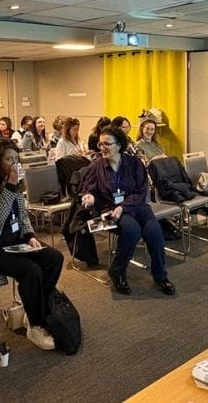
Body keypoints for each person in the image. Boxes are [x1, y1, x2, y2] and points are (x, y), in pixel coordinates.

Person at [0, 139, 63, 350]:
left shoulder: (12, 181)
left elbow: (22, 214)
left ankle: (32, 308)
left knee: (54, 258)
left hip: (15, 239)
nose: (13, 163)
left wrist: (29, 234)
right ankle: (36, 325)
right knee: (31, 271)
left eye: (15, 159)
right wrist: (11, 184)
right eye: (8, 159)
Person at [80, 126, 175, 296]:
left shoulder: (134, 163)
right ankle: (117, 271)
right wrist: (90, 197)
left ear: (119, 145)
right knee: (132, 230)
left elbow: (141, 191)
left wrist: (123, 207)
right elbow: (90, 189)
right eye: (100, 144)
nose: (102, 148)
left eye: (107, 144)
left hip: (136, 206)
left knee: (154, 232)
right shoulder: (97, 166)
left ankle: (161, 276)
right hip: (109, 210)